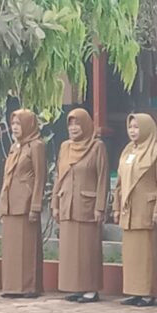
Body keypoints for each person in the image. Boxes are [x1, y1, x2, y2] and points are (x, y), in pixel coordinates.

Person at [52, 108, 109, 303]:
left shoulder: (96, 146)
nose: (74, 128)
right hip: (67, 202)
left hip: (87, 205)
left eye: (77, 123)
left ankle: (90, 289)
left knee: (87, 250)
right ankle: (75, 287)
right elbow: (59, 176)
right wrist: (55, 203)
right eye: (70, 124)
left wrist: (100, 206)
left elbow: (103, 179)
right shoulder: (65, 147)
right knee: (70, 250)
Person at [113, 113, 157, 307]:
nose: (133, 131)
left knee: (146, 253)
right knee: (131, 254)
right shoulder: (128, 150)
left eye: (136, 127)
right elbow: (119, 183)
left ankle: (147, 292)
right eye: (130, 127)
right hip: (129, 209)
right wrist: (116, 207)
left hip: (147, 208)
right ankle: (133, 291)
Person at [0, 109, 46, 298]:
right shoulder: (15, 147)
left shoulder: (36, 146)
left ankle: (28, 287)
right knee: (11, 248)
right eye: (13, 124)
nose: (15, 128)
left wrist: (35, 205)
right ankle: (11, 286)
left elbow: (40, 177)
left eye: (19, 124)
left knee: (27, 247)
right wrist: (2, 204)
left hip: (25, 203)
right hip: (11, 202)